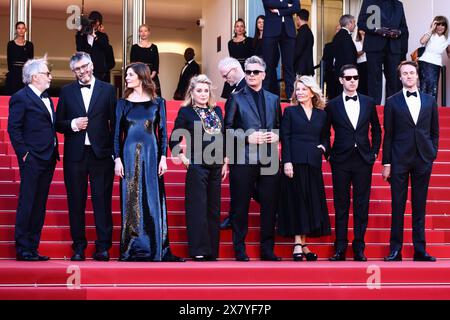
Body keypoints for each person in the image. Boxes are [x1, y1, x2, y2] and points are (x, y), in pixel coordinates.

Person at [114, 62, 184, 262]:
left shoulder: (157, 102)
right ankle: (132, 248)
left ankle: (156, 247)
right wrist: (117, 159)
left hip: (152, 153)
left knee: (153, 198)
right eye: (126, 74)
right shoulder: (122, 103)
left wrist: (164, 157)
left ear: (141, 76)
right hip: (128, 154)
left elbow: (162, 132)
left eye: (130, 74)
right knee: (131, 199)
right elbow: (117, 134)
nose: (126, 77)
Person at [56, 52, 115, 262]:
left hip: (101, 155)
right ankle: (78, 247)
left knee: (102, 202)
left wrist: (115, 154)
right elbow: (58, 123)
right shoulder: (66, 91)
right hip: (75, 156)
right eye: (77, 69)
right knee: (76, 202)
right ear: (73, 72)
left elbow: (115, 125)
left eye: (84, 67)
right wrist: (73, 124)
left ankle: (103, 247)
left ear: (91, 65)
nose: (82, 72)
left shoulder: (108, 90)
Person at [225, 55, 282, 262]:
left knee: (270, 206)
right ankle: (240, 249)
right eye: (248, 71)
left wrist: (277, 135)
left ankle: (267, 250)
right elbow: (227, 130)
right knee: (240, 206)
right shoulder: (236, 97)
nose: (251, 75)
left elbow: (280, 126)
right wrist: (248, 137)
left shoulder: (274, 99)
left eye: (255, 72)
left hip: (269, 159)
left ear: (264, 75)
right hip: (243, 158)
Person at [382, 61, 439, 262]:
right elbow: (387, 135)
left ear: (417, 75)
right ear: (400, 78)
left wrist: (432, 153)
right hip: (399, 159)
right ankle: (395, 249)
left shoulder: (430, 101)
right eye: (404, 73)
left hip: (423, 158)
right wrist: (386, 163)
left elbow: (434, 132)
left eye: (411, 73)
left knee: (419, 206)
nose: (408, 76)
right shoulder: (392, 101)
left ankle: (420, 250)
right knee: (398, 205)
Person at [326, 64, 381, 261]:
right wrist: (329, 155)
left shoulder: (368, 102)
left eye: (355, 77)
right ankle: (340, 248)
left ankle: (359, 248)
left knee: (361, 205)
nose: (352, 81)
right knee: (341, 205)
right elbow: (324, 133)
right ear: (341, 80)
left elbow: (376, 129)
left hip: (362, 160)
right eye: (348, 78)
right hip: (340, 160)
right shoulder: (332, 105)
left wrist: (373, 153)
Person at [169, 75, 227, 261]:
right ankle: (199, 250)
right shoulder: (186, 112)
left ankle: (212, 250)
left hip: (217, 165)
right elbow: (174, 140)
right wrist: (183, 157)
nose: (203, 94)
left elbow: (224, 137)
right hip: (197, 166)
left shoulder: (217, 110)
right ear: (192, 93)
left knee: (213, 209)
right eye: (199, 91)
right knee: (197, 208)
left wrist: (226, 161)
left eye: (205, 90)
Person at [8, 56, 59, 261]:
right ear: (35, 76)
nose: (50, 77)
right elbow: (14, 128)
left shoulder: (46, 97)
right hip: (32, 158)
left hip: (48, 157)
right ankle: (23, 249)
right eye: (47, 73)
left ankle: (33, 247)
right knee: (28, 202)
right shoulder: (21, 97)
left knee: (40, 204)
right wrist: (25, 154)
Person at [278, 76, 330, 261]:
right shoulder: (290, 112)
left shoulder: (322, 114)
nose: (299, 92)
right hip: (295, 163)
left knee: (309, 203)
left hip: (313, 164)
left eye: (303, 89)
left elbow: (325, 137)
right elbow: (286, 138)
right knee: (297, 202)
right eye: (297, 89)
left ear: (312, 91)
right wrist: (287, 162)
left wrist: (323, 148)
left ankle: (304, 244)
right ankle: (298, 244)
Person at [358, 0, 409, 104]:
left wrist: (398, 32)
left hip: (394, 47)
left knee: (393, 79)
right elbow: (361, 23)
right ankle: (375, 108)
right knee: (374, 78)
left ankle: (392, 106)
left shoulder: (399, 4)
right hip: (374, 46)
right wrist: (377, 29)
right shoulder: (369, 2)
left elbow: (403, 28)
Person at [218, 57, 246, 229]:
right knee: (239, 186)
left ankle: (234, 217)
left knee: (245, 186)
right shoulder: (236, 89)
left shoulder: (244, 88)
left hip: (245, 145)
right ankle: (234, 216)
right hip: (238, 144)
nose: (225, 79)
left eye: (225, 75)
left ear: (235, 69)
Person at [262, 0, 300, 99]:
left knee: (289, 65)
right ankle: (264, 96)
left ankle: (290, 96)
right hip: (271, 30)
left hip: (288, 31)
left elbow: (296, 7)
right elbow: (268, 3)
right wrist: (287, 5)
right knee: (267, 65)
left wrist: (280, 11)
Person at [76, 11, 114, 82]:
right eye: (91, 21)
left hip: (99, 73)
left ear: (99, 23)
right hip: (85, 71)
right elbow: (79, 49)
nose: (92, 24)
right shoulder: (82, 35)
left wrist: (94, 36)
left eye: (95, 22)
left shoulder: (102, 36)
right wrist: (79, 32)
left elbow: (106, 47)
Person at [418, 16, 450, 101]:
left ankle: (431, 110)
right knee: (424, 87)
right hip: (425, 62)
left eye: (443, 24)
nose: (440, 27)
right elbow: (422, 41)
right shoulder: (430, 33)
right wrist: (431, 29)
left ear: (446, 26)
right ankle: (423, 110)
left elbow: (449, 52)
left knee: (433, 88)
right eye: (437, 24)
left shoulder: (447, 38)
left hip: (436, 64)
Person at [222, 19, 254, 99]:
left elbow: (252, 56)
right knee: (232, 94)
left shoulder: (250, 41)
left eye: (241, 26)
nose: (239, 28)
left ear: (244, 28)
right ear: (234, 29)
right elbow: (231, 58)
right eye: (237, 26)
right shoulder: (230, 43)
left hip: (246, 68)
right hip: (234, 68)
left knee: (245, 93)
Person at [130, 24, 162, 97]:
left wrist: (151, 76)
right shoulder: (134, 47)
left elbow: (156, 63)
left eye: (145, 31)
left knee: (154, 97)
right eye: (141, 31)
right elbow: (133, 64)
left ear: (149, 33)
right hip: (138, 75)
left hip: (152, 76)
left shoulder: (154, 47)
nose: (143, 33)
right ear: (139, 33)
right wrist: (139, 76)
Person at [331, 15, 357, 98]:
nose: (355, 25)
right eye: (354, 23)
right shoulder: (345, 36)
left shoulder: (338, 35)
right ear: (349, 23)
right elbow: (349, 56)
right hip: (346, 73)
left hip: (339, 71)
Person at [5, 22, 34, 95]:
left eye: (23, 28)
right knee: (12, 95)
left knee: (25, 96)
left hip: (25, 74)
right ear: (16, 30)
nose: (21, 30)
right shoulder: (11, 44)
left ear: (25, 30)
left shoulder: (29, 45)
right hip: (13, 74)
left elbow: (31, 61)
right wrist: (12, 72)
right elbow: (9, 61)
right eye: (19, 28)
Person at [294, 9, 314, 76]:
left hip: (301, 69)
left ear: (298, 18)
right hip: (307, 68)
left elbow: (297, 51)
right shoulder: (309, 32)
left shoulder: (302, 32)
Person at [354, 29, 368, 95]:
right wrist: (363, 51)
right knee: (362, 84)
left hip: (369, 63)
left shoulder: (369, 40)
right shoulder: (355, 41)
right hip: (360, 64)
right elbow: (354, 54)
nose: (363, 31)